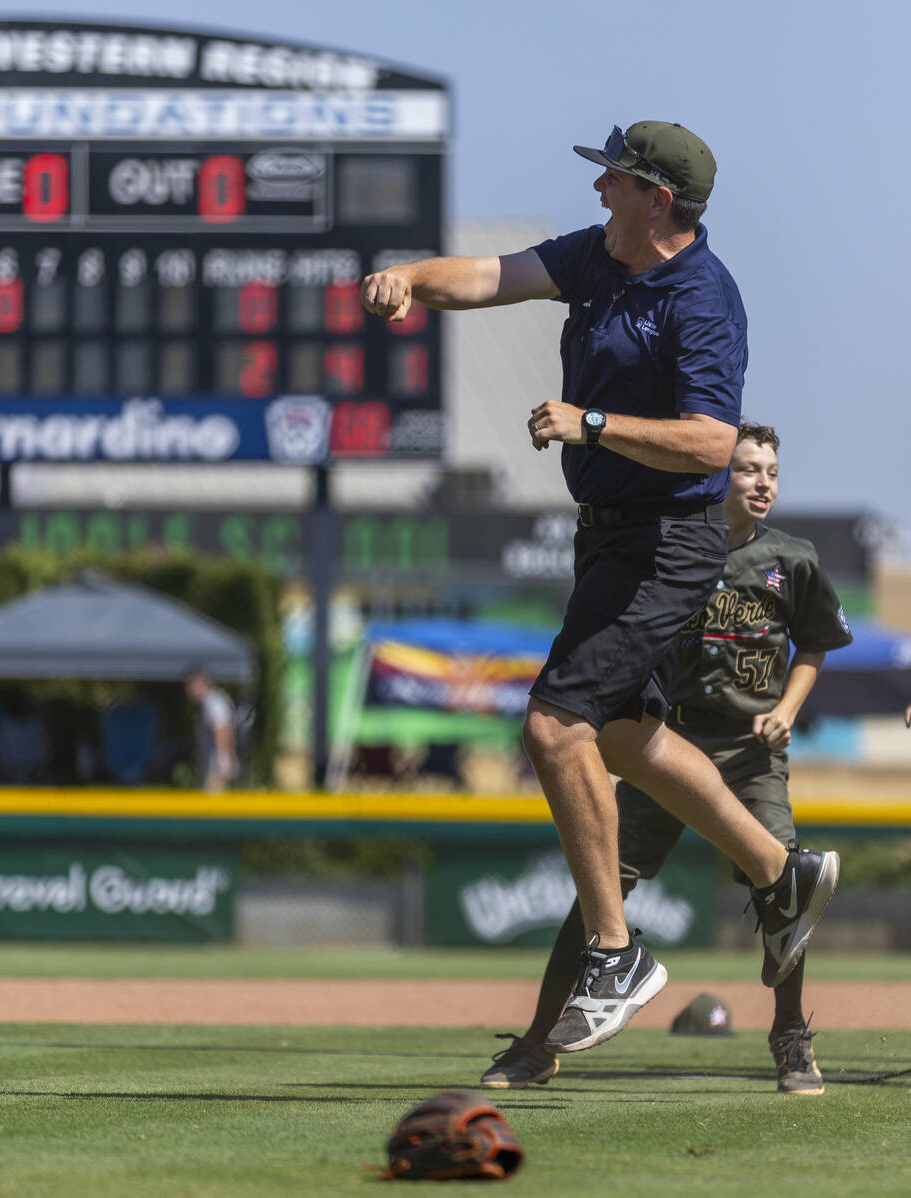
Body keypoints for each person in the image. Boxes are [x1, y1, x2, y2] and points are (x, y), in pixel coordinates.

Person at [362, 121, 840, 1052]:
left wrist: (593, 422)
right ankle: (778, 874)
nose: (599, 192)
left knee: (553, 727)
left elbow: (711, 440)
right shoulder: (598, 256)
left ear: (657, 199)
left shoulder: (702, 295)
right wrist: (414, 280)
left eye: (614, 179)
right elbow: (497, 276)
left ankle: (617, 955)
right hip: (612, 537)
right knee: (623, 734)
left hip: (669, 543)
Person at [480, 423, 853, 1094]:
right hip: (662, 745)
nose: (763, 481)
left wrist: (787, 711)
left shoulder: (791, 558)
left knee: (785, 889)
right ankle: (538, 1044)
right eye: (747, 469)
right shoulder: (680, 550)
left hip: (748, 750)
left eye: (771, 470)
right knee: (600, 894)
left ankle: (791, 1038)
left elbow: (818, 642)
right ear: (716, 476)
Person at [184, 667, 238, 790]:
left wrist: (223, 762)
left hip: (215, 768)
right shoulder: (212, 701)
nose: (188, 689)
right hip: (214, 766)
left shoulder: (213, 702)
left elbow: (221, 731)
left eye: (190, 684)